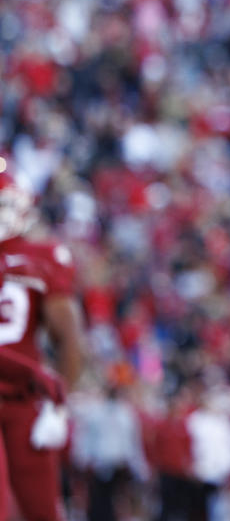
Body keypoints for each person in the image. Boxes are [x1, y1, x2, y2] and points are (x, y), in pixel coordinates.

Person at [0, 158, 86, 521]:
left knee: (42, 510)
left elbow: (68, 338)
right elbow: (69, 339)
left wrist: (57, 404)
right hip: (27, 389)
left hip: (25, 397)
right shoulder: (42, 257)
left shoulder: (42, 256)